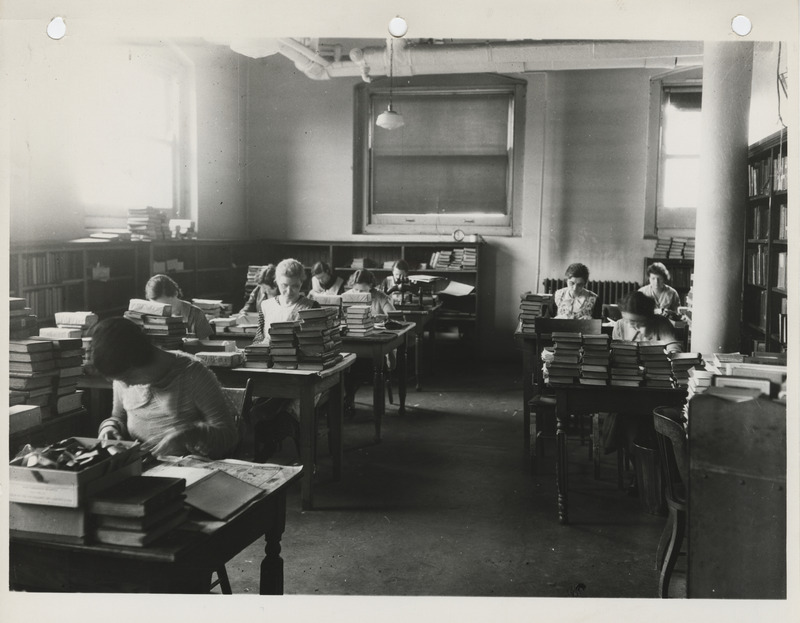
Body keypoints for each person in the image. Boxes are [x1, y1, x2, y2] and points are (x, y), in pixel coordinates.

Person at [91, 317, 238, 459]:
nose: (126, 385)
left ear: (141, 360)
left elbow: (229, 436)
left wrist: (190, 434)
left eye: (126, 378)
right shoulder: (122, 374)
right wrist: (109, 427)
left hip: (187, 468)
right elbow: (119, 417)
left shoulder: (193, 373)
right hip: (143, 465)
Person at [608, 291, 681, 496]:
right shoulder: (620, 325)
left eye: (638, 323)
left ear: (649, 317)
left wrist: (667, 351)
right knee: (626, 421)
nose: (632, 326)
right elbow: (615, 354)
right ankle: (641, 471)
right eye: (628, 321)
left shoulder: (661, 323)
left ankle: (657, 474)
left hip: (657, 388)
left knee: (653, 423)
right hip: (629, 387)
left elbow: (674, 346)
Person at [252, 258, 319, 345]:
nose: (289, 291)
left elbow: (316, 344)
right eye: (284, 285)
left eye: (295, 286)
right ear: (277, 281)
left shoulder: (311, 307)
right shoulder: (266, 306)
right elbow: (258, 339)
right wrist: (261, 344)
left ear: (301, 283)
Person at [145, 274, 213, 339]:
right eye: (156, 306)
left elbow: (205, 346)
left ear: (175, 294)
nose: (162, 310)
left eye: (165, 305)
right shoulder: (148, 315)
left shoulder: (196, 314)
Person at [611, 290, 681, 350]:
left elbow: (672, 344)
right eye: (626, 320)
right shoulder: (619, 325)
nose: (629, 325)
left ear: (647, 317)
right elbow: (617, 351)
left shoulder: (661, 322)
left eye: (634, 321)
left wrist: (673, 352)